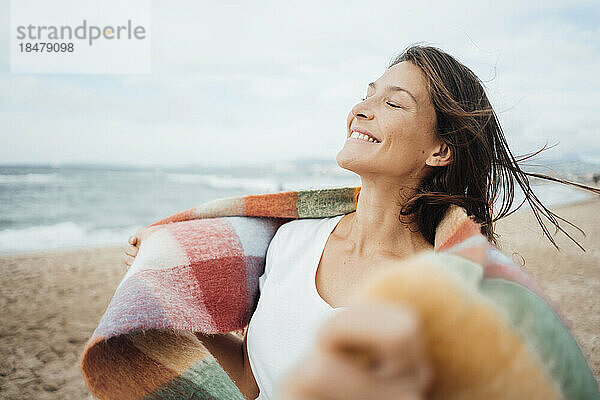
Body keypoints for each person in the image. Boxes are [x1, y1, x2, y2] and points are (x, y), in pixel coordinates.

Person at [123, 45, 596, 400]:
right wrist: (173, 281)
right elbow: (251, 381)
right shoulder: (291, 240)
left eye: (394, 103)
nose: (362, 109)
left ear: (439, 149)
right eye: (368, 94)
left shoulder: (448, 292)